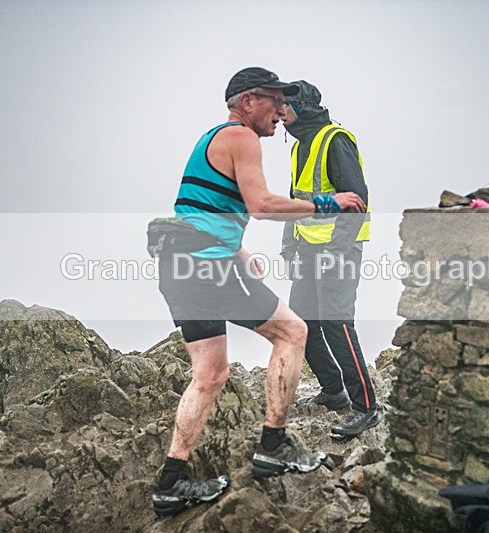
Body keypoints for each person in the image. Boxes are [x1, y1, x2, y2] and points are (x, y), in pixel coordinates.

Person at [151, 67, 366, 517]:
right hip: (207, 266)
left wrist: (240, 250)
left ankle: (170, 482)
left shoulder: (211, 139)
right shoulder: (241, 137)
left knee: (209, 374)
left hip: (179, 264)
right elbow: (261, 205)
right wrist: (331, 202)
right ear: (248, 101)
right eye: (274, 99)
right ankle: (274, 446)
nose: (281, 110)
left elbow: (202, 207)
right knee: (292, 332)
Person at [280, 80, 379, 437]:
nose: (279, 112)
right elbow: (297, 203)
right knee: (301, 324)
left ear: (301, 107)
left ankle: (366, 407)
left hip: (339, 248)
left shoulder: (335, 140)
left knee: (336, 322)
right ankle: (333, 391)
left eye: (284, 105)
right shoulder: (299, 147)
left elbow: (357, 199)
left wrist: (335, 252)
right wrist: (289, 246)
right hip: (307, 247)